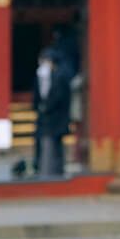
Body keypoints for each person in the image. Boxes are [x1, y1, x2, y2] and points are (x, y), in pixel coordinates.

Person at [33, 48, 71, 177]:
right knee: (50, 144)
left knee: (53, 144)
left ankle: (51, 171)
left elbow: (59, 97)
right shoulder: (43, 76)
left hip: (56, 117)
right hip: (48, 117)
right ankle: (50, 170)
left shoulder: (60, 76)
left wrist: (46, 107)